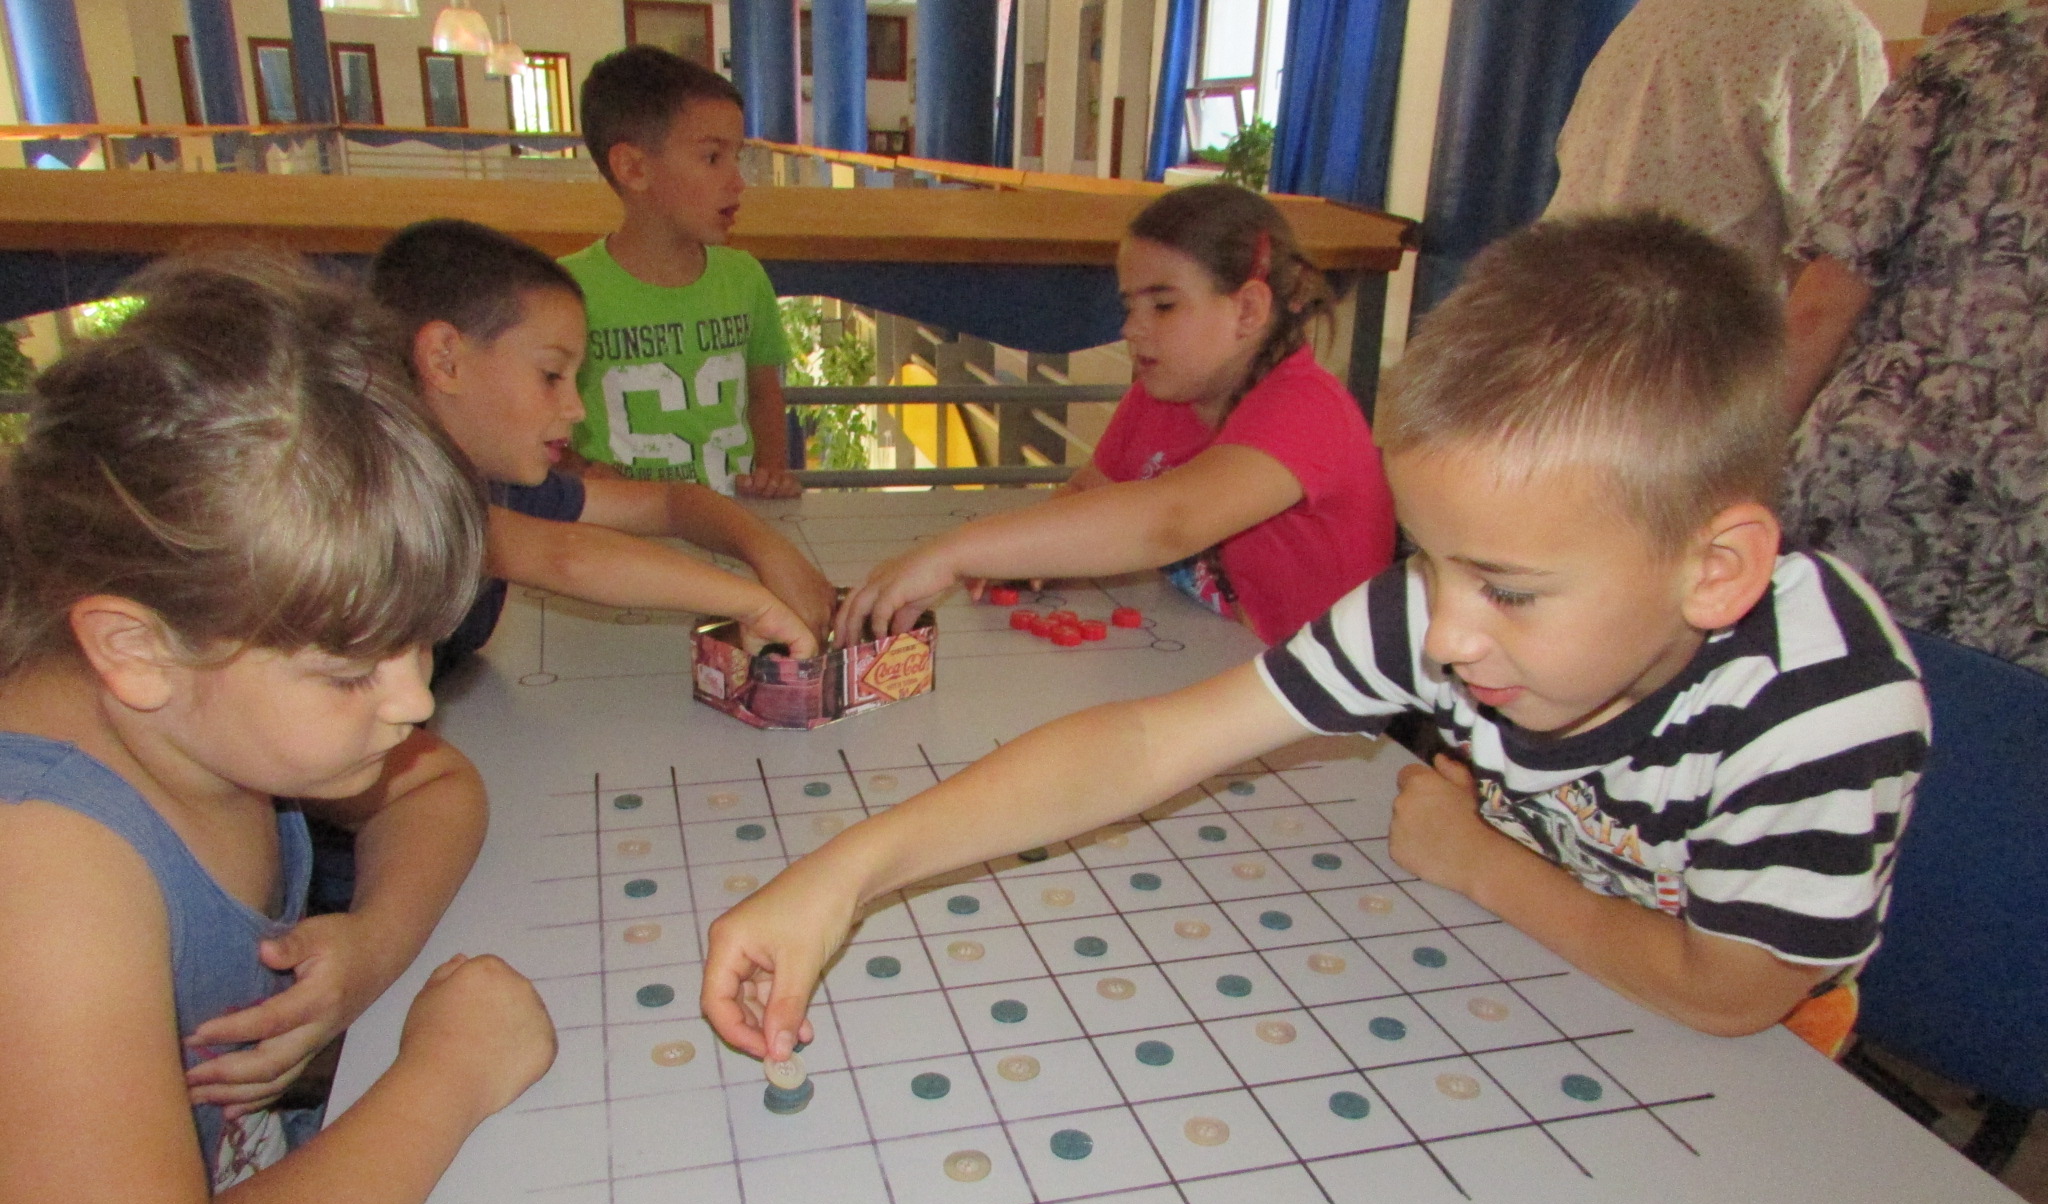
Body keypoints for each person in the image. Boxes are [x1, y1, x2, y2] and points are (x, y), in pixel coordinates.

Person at [703, 213, 1928, 1085]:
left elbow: (1725, 994)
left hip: (1755, 1061)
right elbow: (1145, 743)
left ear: (1712, 570)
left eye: (1506, 590)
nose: (1442, 633)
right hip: (1531, 973)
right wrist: (846, 871)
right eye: (1429, 560)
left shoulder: (1819, 706)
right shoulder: (1449, 610)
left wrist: (1477, 863)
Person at [0, 255, 555, 1204]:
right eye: (352, 673)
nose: (411, 699)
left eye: (419, 644)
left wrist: (367, 948)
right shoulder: (46, 877)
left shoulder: (187, 712)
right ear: (133, 647)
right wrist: (444, 1073)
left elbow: (436, 787)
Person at [837, 182, 1397, 645]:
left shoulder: (1307, 409)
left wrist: (953, 552)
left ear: (1248, 309)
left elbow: (1169, 522)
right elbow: (1088, 495)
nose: (1132, 328)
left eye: (1164, 304)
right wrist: (1019, 556)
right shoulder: (1163, 393)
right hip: (1212, 663)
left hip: (1327, 712)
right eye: (1129, 306)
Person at [367, 219, 835, 675]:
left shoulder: (501, 482)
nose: (576, 409)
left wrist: (768, 549)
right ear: (445, 359)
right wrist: (753, 604)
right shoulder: (390, 491)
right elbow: (566, 558)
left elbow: (671, 503)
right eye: (551, 375)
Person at [1779, 4, 2048, 676]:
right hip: (2030, 534)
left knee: (1816, 704)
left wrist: (1723, 475)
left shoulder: (1979, 53)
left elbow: (1822, 303)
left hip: (1878, 476)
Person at [564, 47, 801, 499]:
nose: (738, 181)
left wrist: (771, 471)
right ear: (634, 168)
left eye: (737, 158)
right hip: (618, 529)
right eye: (712, 158)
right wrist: (582, 470)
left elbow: (763, 392)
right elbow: (538, 422)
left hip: (732, 521)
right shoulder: (566, 290)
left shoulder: (744, 277)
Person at [1546, 0, 1887, 290]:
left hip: (1560, 316)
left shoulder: (1656, 13)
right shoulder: (1828, 33)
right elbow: (1835, 267)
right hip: (1679, 331)